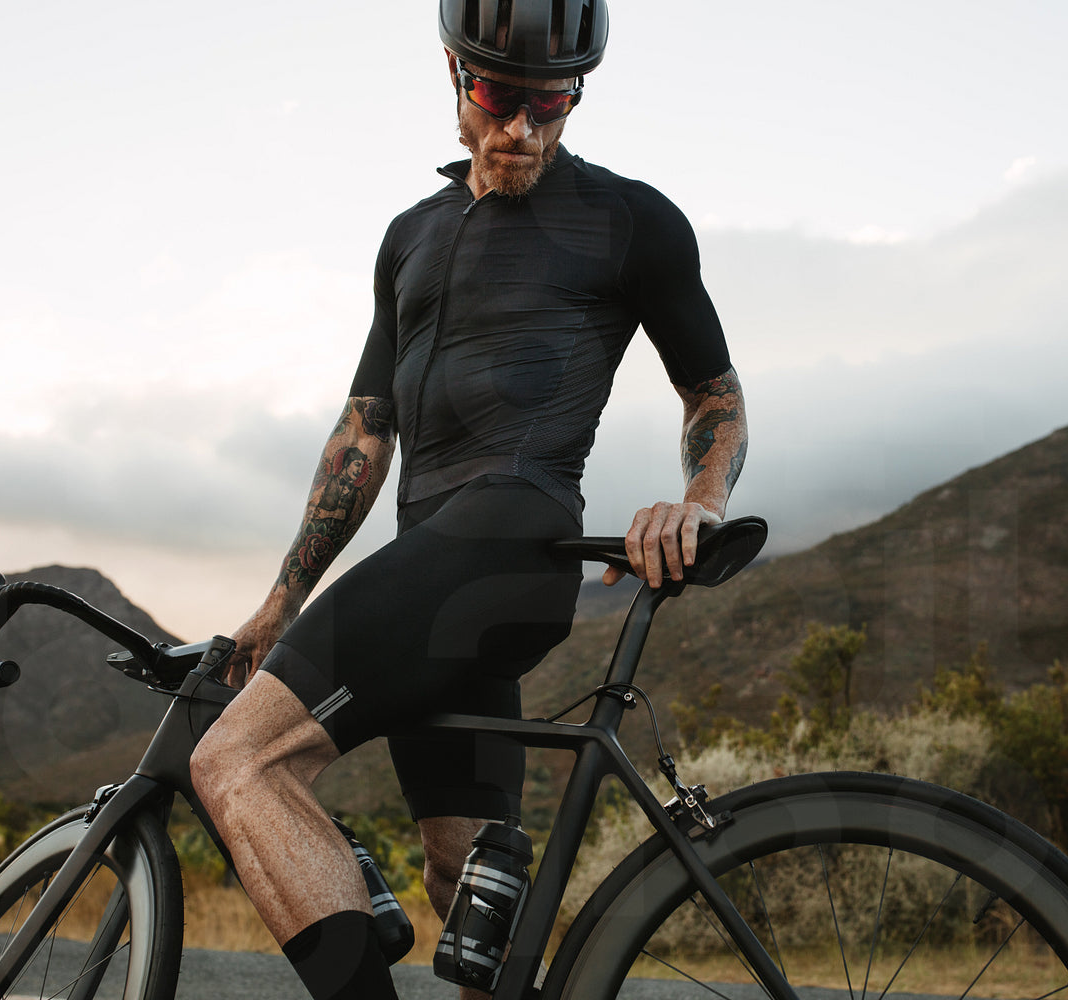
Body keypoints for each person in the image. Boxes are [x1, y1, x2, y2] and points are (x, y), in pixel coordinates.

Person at [188, 2, 748, 997]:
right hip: (434, 569)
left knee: (238, 762)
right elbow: (364, 433)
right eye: (499, 96)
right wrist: (281, 600)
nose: (522, 128)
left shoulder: (628, 220)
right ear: (455, 73)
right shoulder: (410, 236)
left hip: (509, 542)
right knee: (463, 882)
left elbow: (716, 398)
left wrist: (698, 499)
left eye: (552, 103)